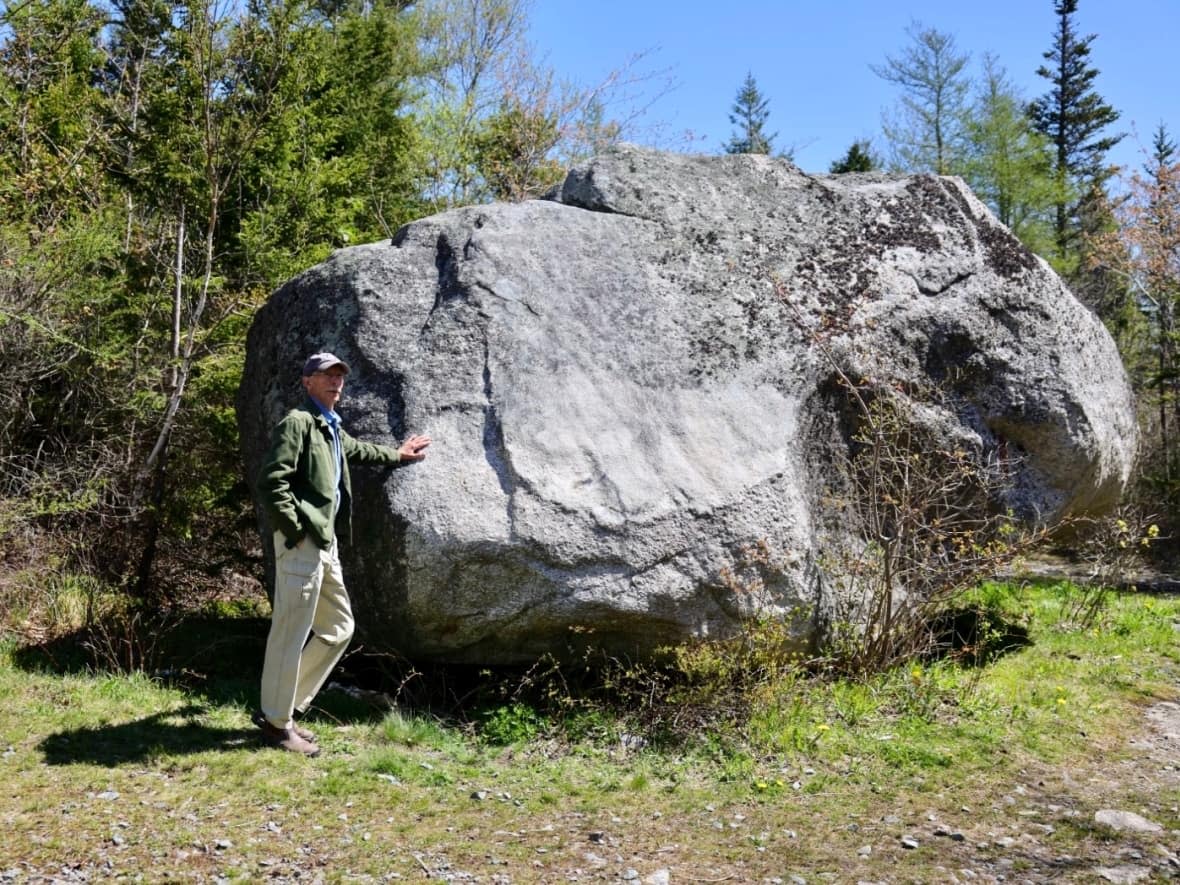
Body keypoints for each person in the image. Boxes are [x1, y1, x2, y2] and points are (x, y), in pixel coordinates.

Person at [254, 351, 430, 756]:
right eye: (326, 376)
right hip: (303, 542)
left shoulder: (330, 427)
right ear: (307, 382)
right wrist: (297, 531)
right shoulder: (298, 423)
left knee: (338, 628)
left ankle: (282, 708)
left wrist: (399, 455)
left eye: (339, 376)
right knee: (290, 633)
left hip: (325, 544)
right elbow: (271, 483)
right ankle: (277, 724)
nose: (335, 382)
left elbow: (359, 450)